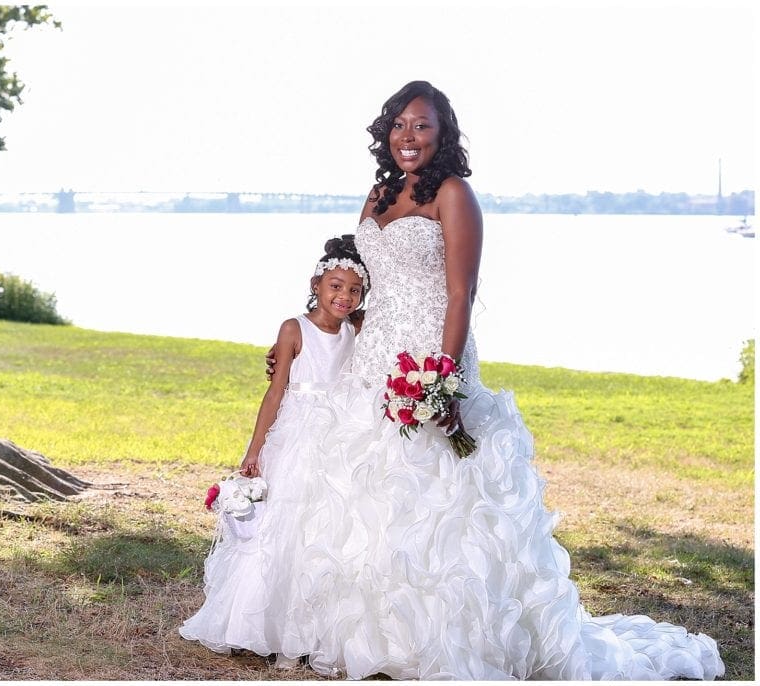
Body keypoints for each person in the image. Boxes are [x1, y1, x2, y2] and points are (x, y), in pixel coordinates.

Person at [257, 81, 725, 680]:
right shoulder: (376, 196)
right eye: (399, 124)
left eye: (422, 126)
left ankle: (434, 636)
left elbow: (461, 294)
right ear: (386, 131)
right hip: (371, 360)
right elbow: (361, 293)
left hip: (430, 359)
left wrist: (442, 383)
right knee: (358, 494)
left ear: (442, 133)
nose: (408, 136)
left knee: (434, 497)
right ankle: (358, 630)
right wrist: (304, 341)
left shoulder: (454, 195)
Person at [179, 235, 369, 667]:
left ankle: (309, 627)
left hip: (338, 435)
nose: (344, 296)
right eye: (335, 285)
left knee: (324, 526)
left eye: (354, 290)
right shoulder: (293, 328)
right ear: (316, 284)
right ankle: (257, 623)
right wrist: (255, 449)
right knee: (282, 523)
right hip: (297, 433)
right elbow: (275, 391)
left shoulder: (355, 330)